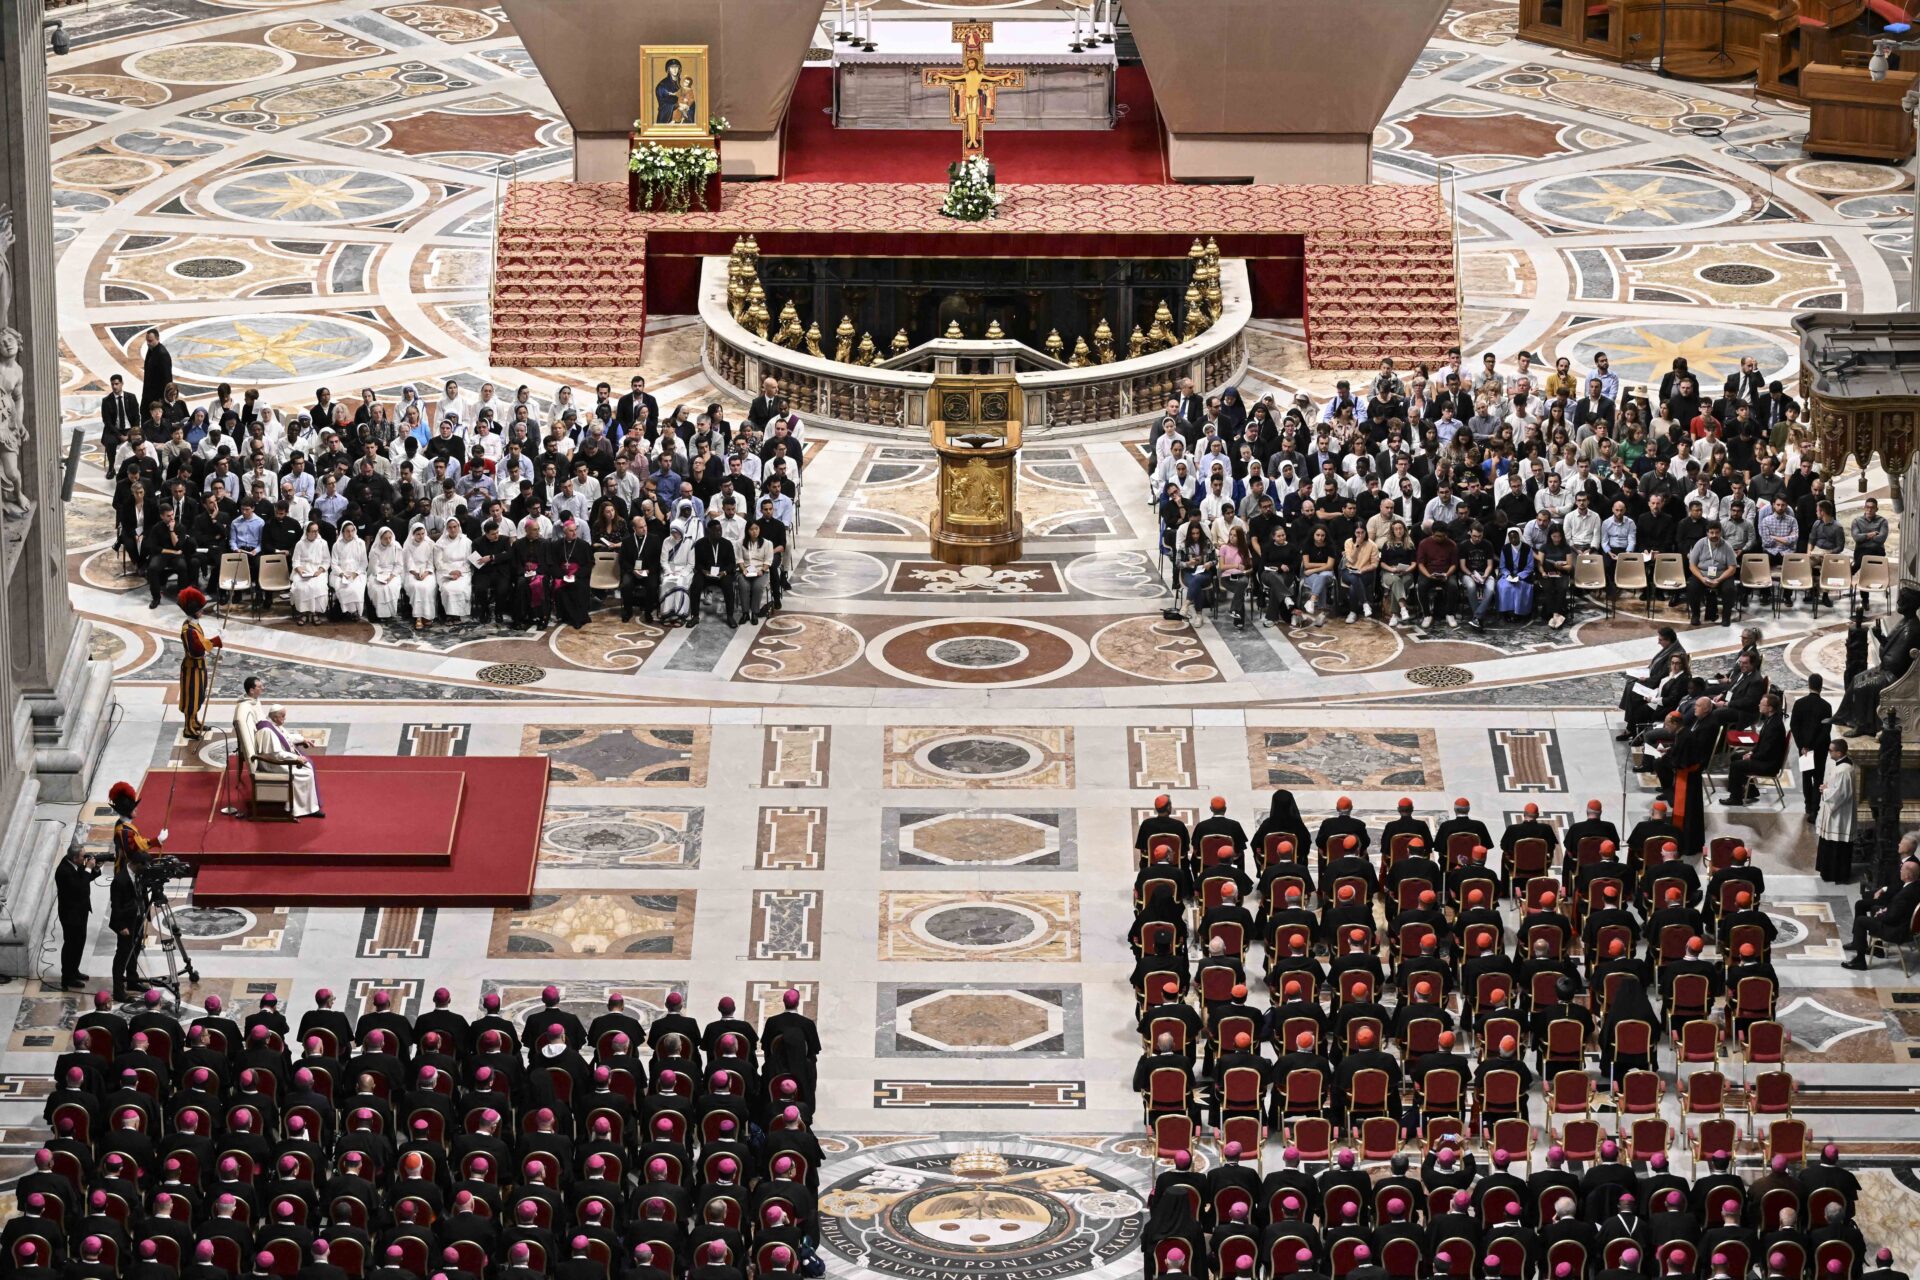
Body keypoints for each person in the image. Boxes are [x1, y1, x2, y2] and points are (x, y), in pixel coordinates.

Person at [106, 781, 160, 1002]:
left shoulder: (129, 830)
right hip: (125, 917)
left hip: (135, 911)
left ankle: (133, 977)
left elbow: (138, 847)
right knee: (123, 950)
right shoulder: (120, 881)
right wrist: (121, 927)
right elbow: (115, 908)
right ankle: (119, 989)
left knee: (137, 944)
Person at [1844, 855, 1920, 969]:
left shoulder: (1904, 895)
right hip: (1904, 924)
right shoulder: (1915, 886)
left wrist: (1880, 914)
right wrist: (1885, 910)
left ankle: (1860, 961)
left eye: (1902, 870)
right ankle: (1876, 949)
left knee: (1861, 921)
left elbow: (1891, 918)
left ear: (1908, 875)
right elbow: (1898, 910)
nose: (1900, 871)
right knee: (1874, 907)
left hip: (1896, 931)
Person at [253, 706, 322, 820]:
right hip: (273, 763)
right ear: (275, 717)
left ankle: (309, 806)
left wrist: (302, 739)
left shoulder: (274, 726)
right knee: (306, 773)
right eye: (283, 716)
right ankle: (302, 809)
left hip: (278, 758)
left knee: (307, 768)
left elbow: (286, 737)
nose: (285, 718)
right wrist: (296, 758)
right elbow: (277, 754)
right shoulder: (267, 730)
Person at [1723, 693, 1787, 806]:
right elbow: (1762, 743)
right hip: (1764, 758)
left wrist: (1751, 756)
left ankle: (1735, 798)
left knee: (1736, 766)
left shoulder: (1775, 726)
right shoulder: (1770, 719)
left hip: (1769, 764)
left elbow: (1768, 751)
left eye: (1762, 704)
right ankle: (1752, 791)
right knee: (1735, 756)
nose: (1759, 705)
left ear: (1770, 708)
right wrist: (1751, 752)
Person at [55, 837, 100, 992]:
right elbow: (80, 887)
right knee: (71, 945)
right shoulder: (64, 871)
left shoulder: (74, 863)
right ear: (75, 858)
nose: (85, 858)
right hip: (70, 915)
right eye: (83, 856)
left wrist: (95, 868)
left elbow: (86, 879)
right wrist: (88, 869)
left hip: (80, 911)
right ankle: (67, 978)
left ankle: (75, 970)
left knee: (80, 942)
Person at [176, 587, 221, 740]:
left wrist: (213, 641)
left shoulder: (194, 625)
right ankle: (188, 728)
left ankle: (194, 721)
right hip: (192, 668)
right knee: (191, 698)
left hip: (199, 667)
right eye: (200, 610)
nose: (202, 612)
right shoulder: (188, 630)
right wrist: (215, 641)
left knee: (198, 696)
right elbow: (196, 649)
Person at [1815, 740, 1857, 885]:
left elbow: (1840, 795)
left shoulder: (1844, 770)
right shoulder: (1842, 767)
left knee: (1836, 845)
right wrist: (1828, 787)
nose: (1829, 752)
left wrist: (1825, 790)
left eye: (1830, 750)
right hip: (1836, 813)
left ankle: (1834, 874)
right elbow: (1838, 788)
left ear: (1839, 753)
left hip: (1839, 815)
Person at [1791, 676, 1832, 820]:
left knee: (1807, 777)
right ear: (1821, 687)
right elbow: (1825, 731)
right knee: (1818, 778)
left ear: (1809, 685)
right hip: (1820, 749)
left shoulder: (1799, 703)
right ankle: (1815, 810)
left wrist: (1803, 746)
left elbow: (1794, 726)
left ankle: (1808, 806)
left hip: (1804, 750)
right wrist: (1814, 746)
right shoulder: (1826, 706)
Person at [289, 522, 330, 625]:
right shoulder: (300, 544)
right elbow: (295, 560)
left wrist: (320, 571)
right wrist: (299, 570)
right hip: (303, 570)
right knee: (300, 587)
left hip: (318, 571)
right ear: (307, 532)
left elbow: (326, 561)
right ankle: (304, 613)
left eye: (317, 531)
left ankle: (314, 613)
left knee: (318, 586)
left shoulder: (323, 543)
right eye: (313, 531)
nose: (316, 533)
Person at [401, 522, 438, 630]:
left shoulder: (430, 543)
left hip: (427, 572)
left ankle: (427, 616)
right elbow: (408, 563)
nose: (421, 536)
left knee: (426, 587)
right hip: (412, 572)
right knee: (416, 587)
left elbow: (431, 562)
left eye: (422, 533)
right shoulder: (408, 545)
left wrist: (426, 573)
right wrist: (416, 574)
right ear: (413, 534)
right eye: (418, 534)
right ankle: (418, 617)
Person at [434, 522, 474, 622]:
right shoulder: (440, 543)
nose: (452, 530)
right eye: (450, 527)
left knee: (461, 588)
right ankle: (449, 614)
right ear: (446, 529)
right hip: (446, 571)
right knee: (447, 589)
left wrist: (459, 571)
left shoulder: (466, 541)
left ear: (458, 527)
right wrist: (451, 571)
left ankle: (459, 614)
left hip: (463, 571)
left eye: (455, 527)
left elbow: (469, 560)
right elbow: (438, 562)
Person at [1495, 527, 1534, 623]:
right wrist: (1508, 575)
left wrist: (1519, 576)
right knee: (1503, 587)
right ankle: (1506, 613)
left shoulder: (1527, 548)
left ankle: (1519, 613)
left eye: (1515, 537)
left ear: (1519, 537)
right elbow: (1502, 567)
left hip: (1523, 576)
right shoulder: (1505, 548)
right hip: (1508, 575)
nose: (1513, 540)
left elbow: (1530, 567)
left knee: (1520, 588)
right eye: (1511, 538)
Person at [329, 522, 367, 619]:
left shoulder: (361, 543)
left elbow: (364, 563)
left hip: (357, 573)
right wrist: (341, 574)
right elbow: (334, 563)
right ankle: (346, 611)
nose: (350, 533)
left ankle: (354, 611)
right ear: (343, 532)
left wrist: (356, 574)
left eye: (352, 531)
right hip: (340, 574)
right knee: (343, 588)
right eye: (347, 531)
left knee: (355, 589)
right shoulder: (336, 545)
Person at [366, 526, 403, 620]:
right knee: (377, 589)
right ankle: (380, 613)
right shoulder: (375, 549)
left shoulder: (396, 546)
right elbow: (374, 566)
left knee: (390, 587)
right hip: (378, 574)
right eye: (385, 538)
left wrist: (391, 576)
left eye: (390, 537)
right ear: (380, 538)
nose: (388, 540)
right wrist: (381, 577)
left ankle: (390, 613)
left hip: (393, 573)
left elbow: (399, 564)